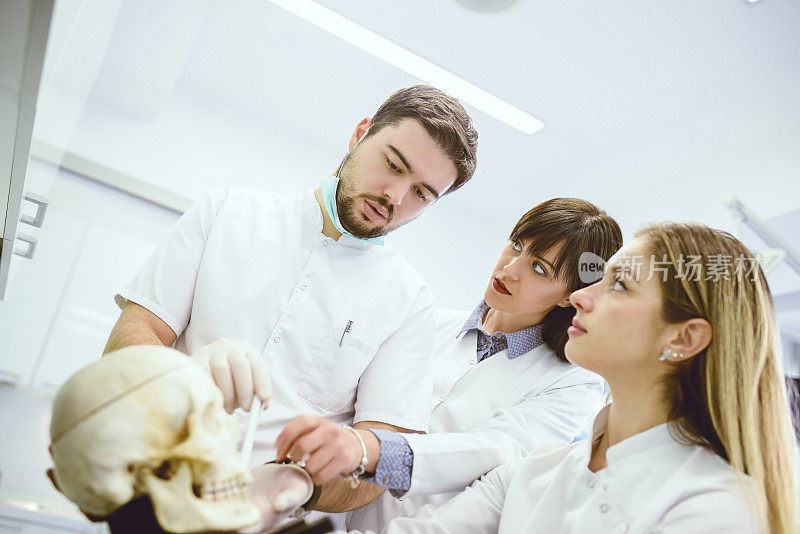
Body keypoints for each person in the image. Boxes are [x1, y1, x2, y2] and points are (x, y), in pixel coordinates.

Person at [103, 85, 479, 494]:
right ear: (360, 134)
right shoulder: (228, 213)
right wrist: (178, 377)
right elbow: (130, 339)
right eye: (392, 164)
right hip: (148, 485)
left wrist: (297, 487)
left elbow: (376, 466)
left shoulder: (410, 304)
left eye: (422, 194)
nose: (395, 196)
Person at [355, 222, 796, 533]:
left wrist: (367, 453)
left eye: (619, 285)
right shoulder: (536, 471)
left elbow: (492, 447)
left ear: (683, 338)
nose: (581, 296)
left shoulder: (717, 509)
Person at [274, 198, 622, 524]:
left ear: (569, 296)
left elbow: (498, 449)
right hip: (319, 514)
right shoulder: (427, 322)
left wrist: (370, 450)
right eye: (517, 244)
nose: (511, 268)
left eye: (538, 268)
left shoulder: (573, 383)